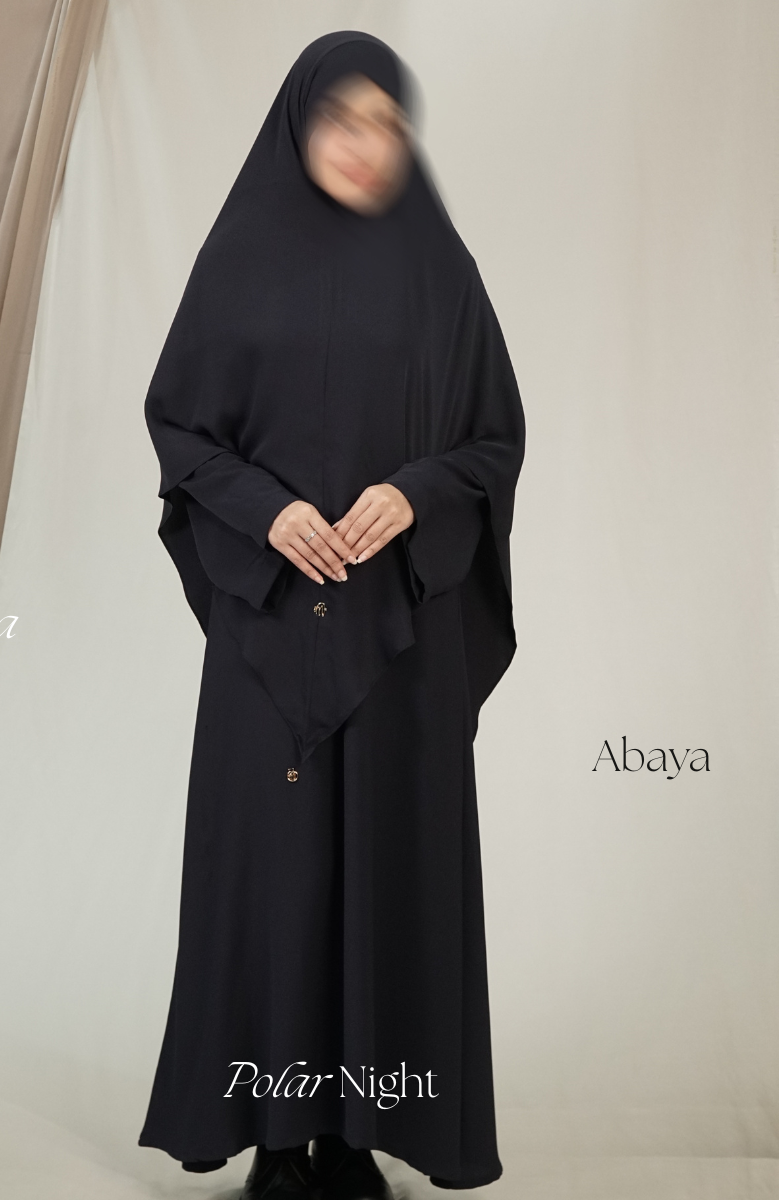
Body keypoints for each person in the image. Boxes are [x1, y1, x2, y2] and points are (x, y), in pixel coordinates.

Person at [137, 30, 525, 1200]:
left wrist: (416, 494)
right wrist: (266, 513)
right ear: (298, 122)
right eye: (343, 119)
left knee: (389, 870)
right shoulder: (237, 262)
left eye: (388, 125)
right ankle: (277, 1135)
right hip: (269, 636)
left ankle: (358, 1136)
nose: (365, 146)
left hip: (400, 637)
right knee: (277, 874)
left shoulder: (442, 273)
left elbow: (495, 439)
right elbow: (179, 431)